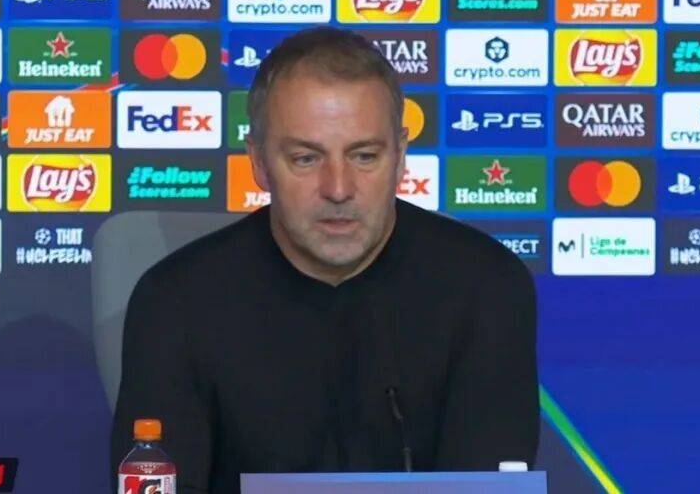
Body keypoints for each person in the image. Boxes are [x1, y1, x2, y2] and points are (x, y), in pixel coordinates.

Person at [110, 26, 539, 494]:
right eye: (306, 159)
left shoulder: (486, 288)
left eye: (364, 156)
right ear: (259, 162)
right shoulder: (176, 301)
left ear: (400, 157)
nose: (338, 188)